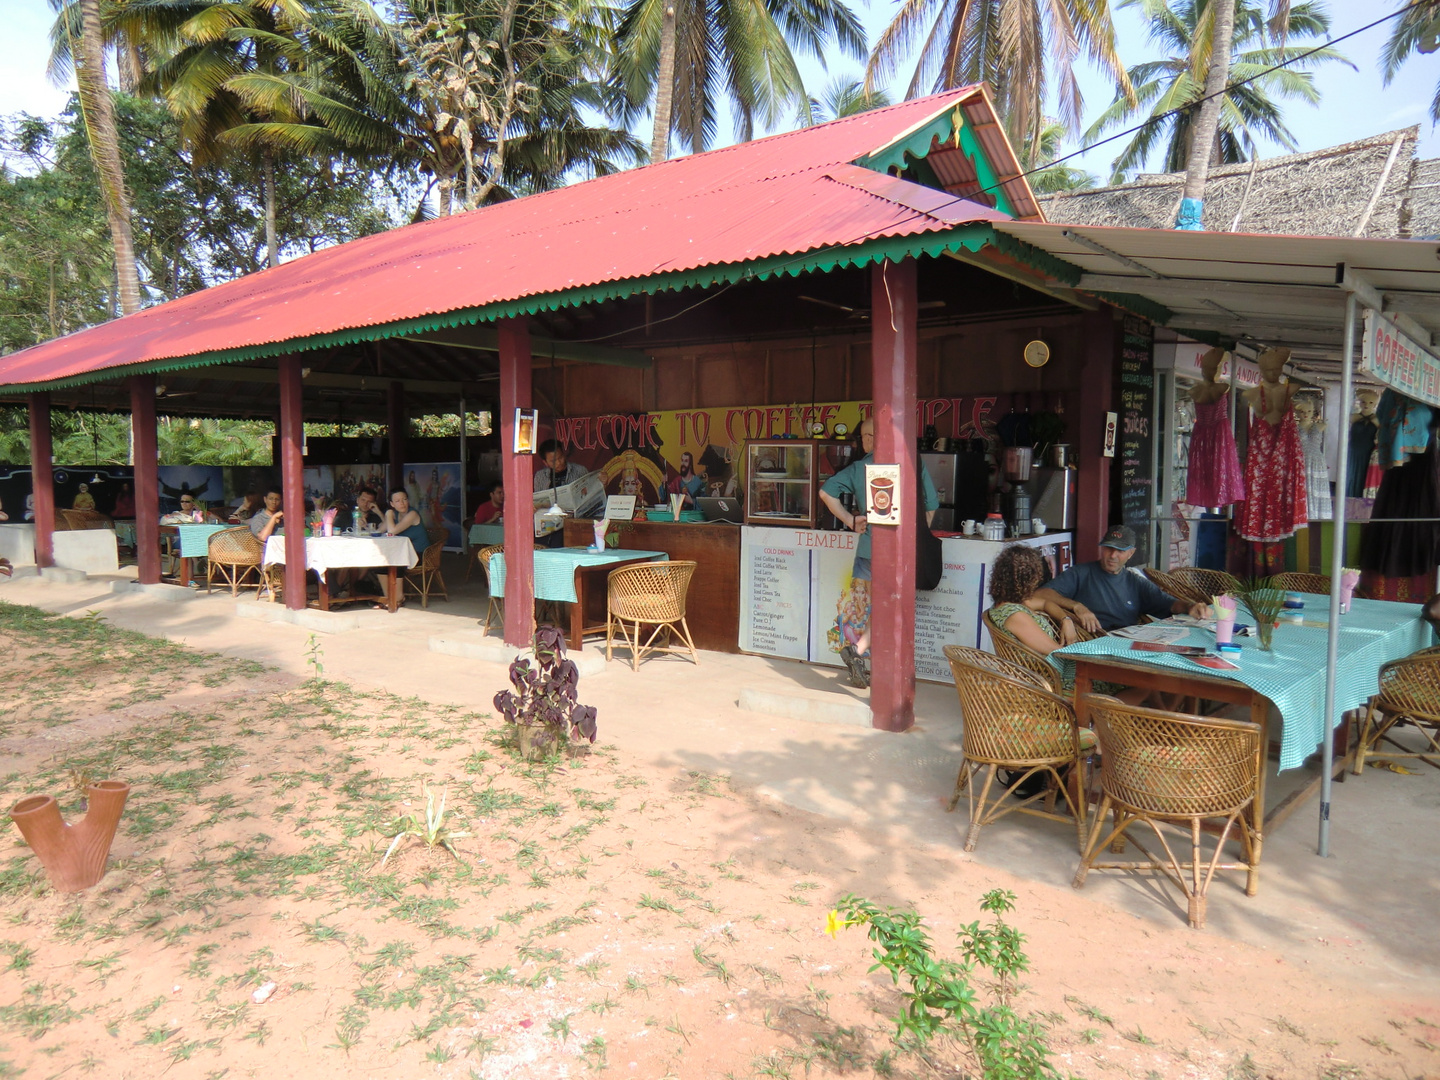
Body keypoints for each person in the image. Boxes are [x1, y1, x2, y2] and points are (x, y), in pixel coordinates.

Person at [817, 418, 940, 688]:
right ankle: (877, 665)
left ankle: (858, 652)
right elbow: (931, 505)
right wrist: (915, 539)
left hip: (867, 551)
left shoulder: (860, 468)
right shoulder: (911, 462)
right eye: (864, 436)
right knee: (890, 609)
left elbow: (826, 493)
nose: (866, 441)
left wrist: (851, 520)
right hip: (897, 552)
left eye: (867, 436)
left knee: (870, 610)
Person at [987, 545, 1145, 704]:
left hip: (1057, 670)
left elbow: (1046, 603)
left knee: (1140, 680)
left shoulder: (1013, 604)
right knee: (1140, 683)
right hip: (1055, 679)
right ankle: (1100, 724)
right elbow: (1057, 652)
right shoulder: (1016, 615)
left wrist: (1065, 620)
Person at [1035, 525, 1210, 634]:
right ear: (1102, 548)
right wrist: (1077, 606)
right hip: (1091, 641)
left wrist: (1190, 606)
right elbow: (1041, 594)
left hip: (1128, 644)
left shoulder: (1135, 582)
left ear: (1131, 553)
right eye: (1109, 548)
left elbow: (1169, 604)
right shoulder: (1081, 573)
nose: (1113, 555)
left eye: (1120, 551)